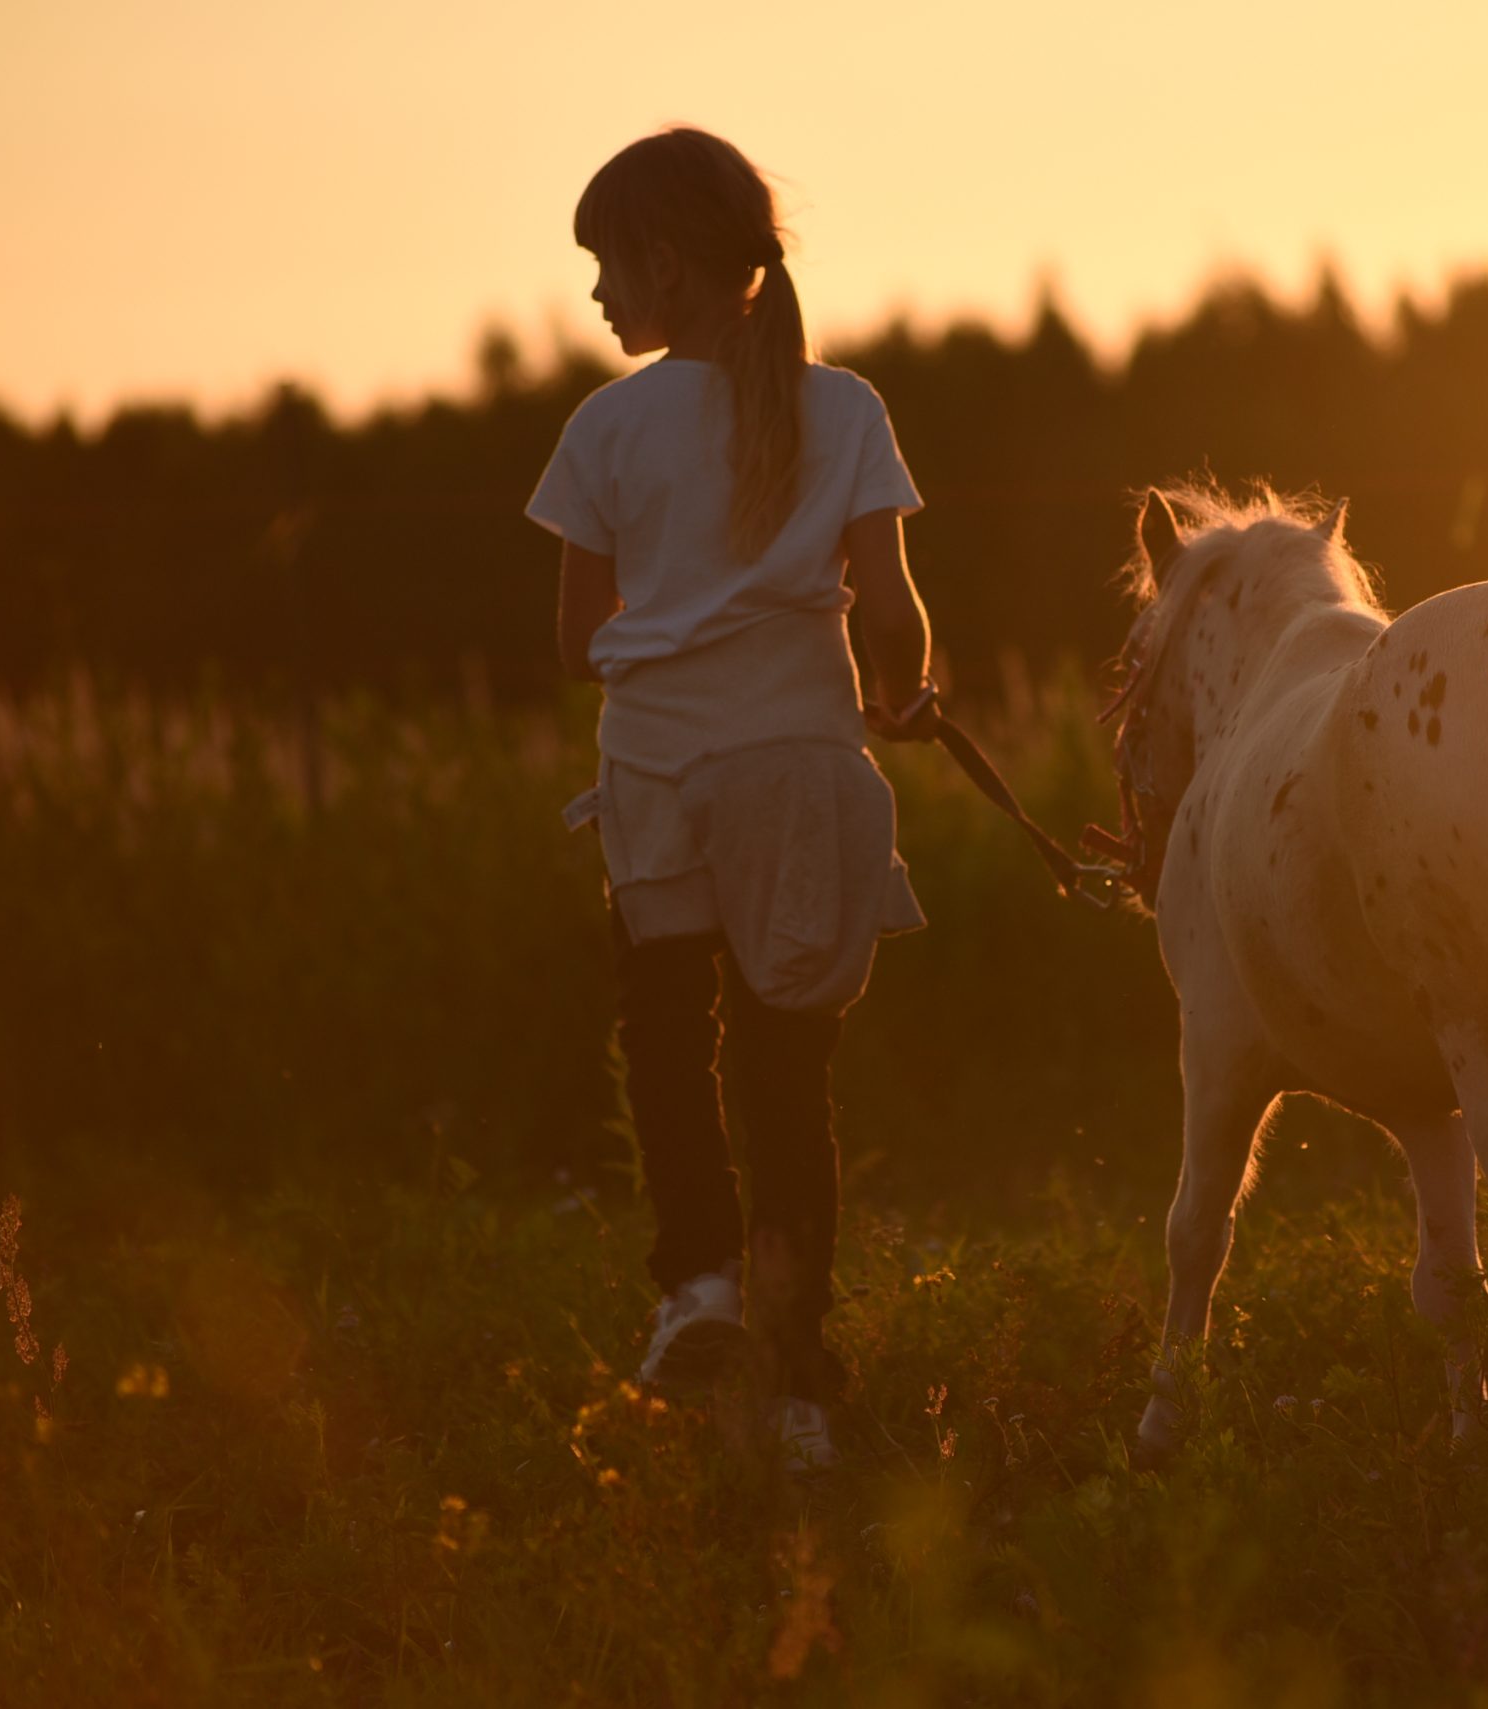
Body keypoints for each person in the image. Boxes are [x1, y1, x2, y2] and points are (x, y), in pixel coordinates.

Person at [525, 127, 939, 1473]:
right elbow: (893, 616)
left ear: (670, 265)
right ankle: (803, 1388)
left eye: (604, 266)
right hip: (804, 770)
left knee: (665, 1032)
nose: (594, 297)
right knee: (786, 1082)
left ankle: (695, 1281)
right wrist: (896, 690)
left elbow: (582, 638)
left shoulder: (603, 427)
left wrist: (674, 615)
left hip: (660, 769)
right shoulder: (850, 408)